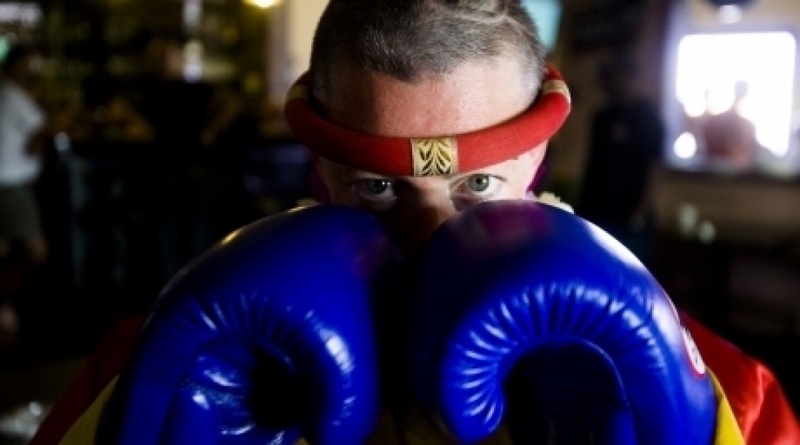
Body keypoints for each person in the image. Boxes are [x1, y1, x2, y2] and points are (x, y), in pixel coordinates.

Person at [30, 1, 799, 443]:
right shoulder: (163, 357)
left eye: (476, 185)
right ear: (322, 168)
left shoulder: (712, 381)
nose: (431, 232)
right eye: (378, 186)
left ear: (535, 160)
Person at [575, 51, 664, 264]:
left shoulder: (648, 118)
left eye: (615, 77)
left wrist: (641, 210)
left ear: (630, 77)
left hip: (629, 213)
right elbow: (593, 162)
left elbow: (655, 167)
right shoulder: (602, 116)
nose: (610, 84)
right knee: (594, 263)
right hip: (597, 208)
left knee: (629, 268)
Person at [0, 44, 49, 347]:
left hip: (7, 183)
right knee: (35, 249)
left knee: (4, 249)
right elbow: (40, 133)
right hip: (11, 185)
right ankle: (7, 311)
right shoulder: (12, 95)